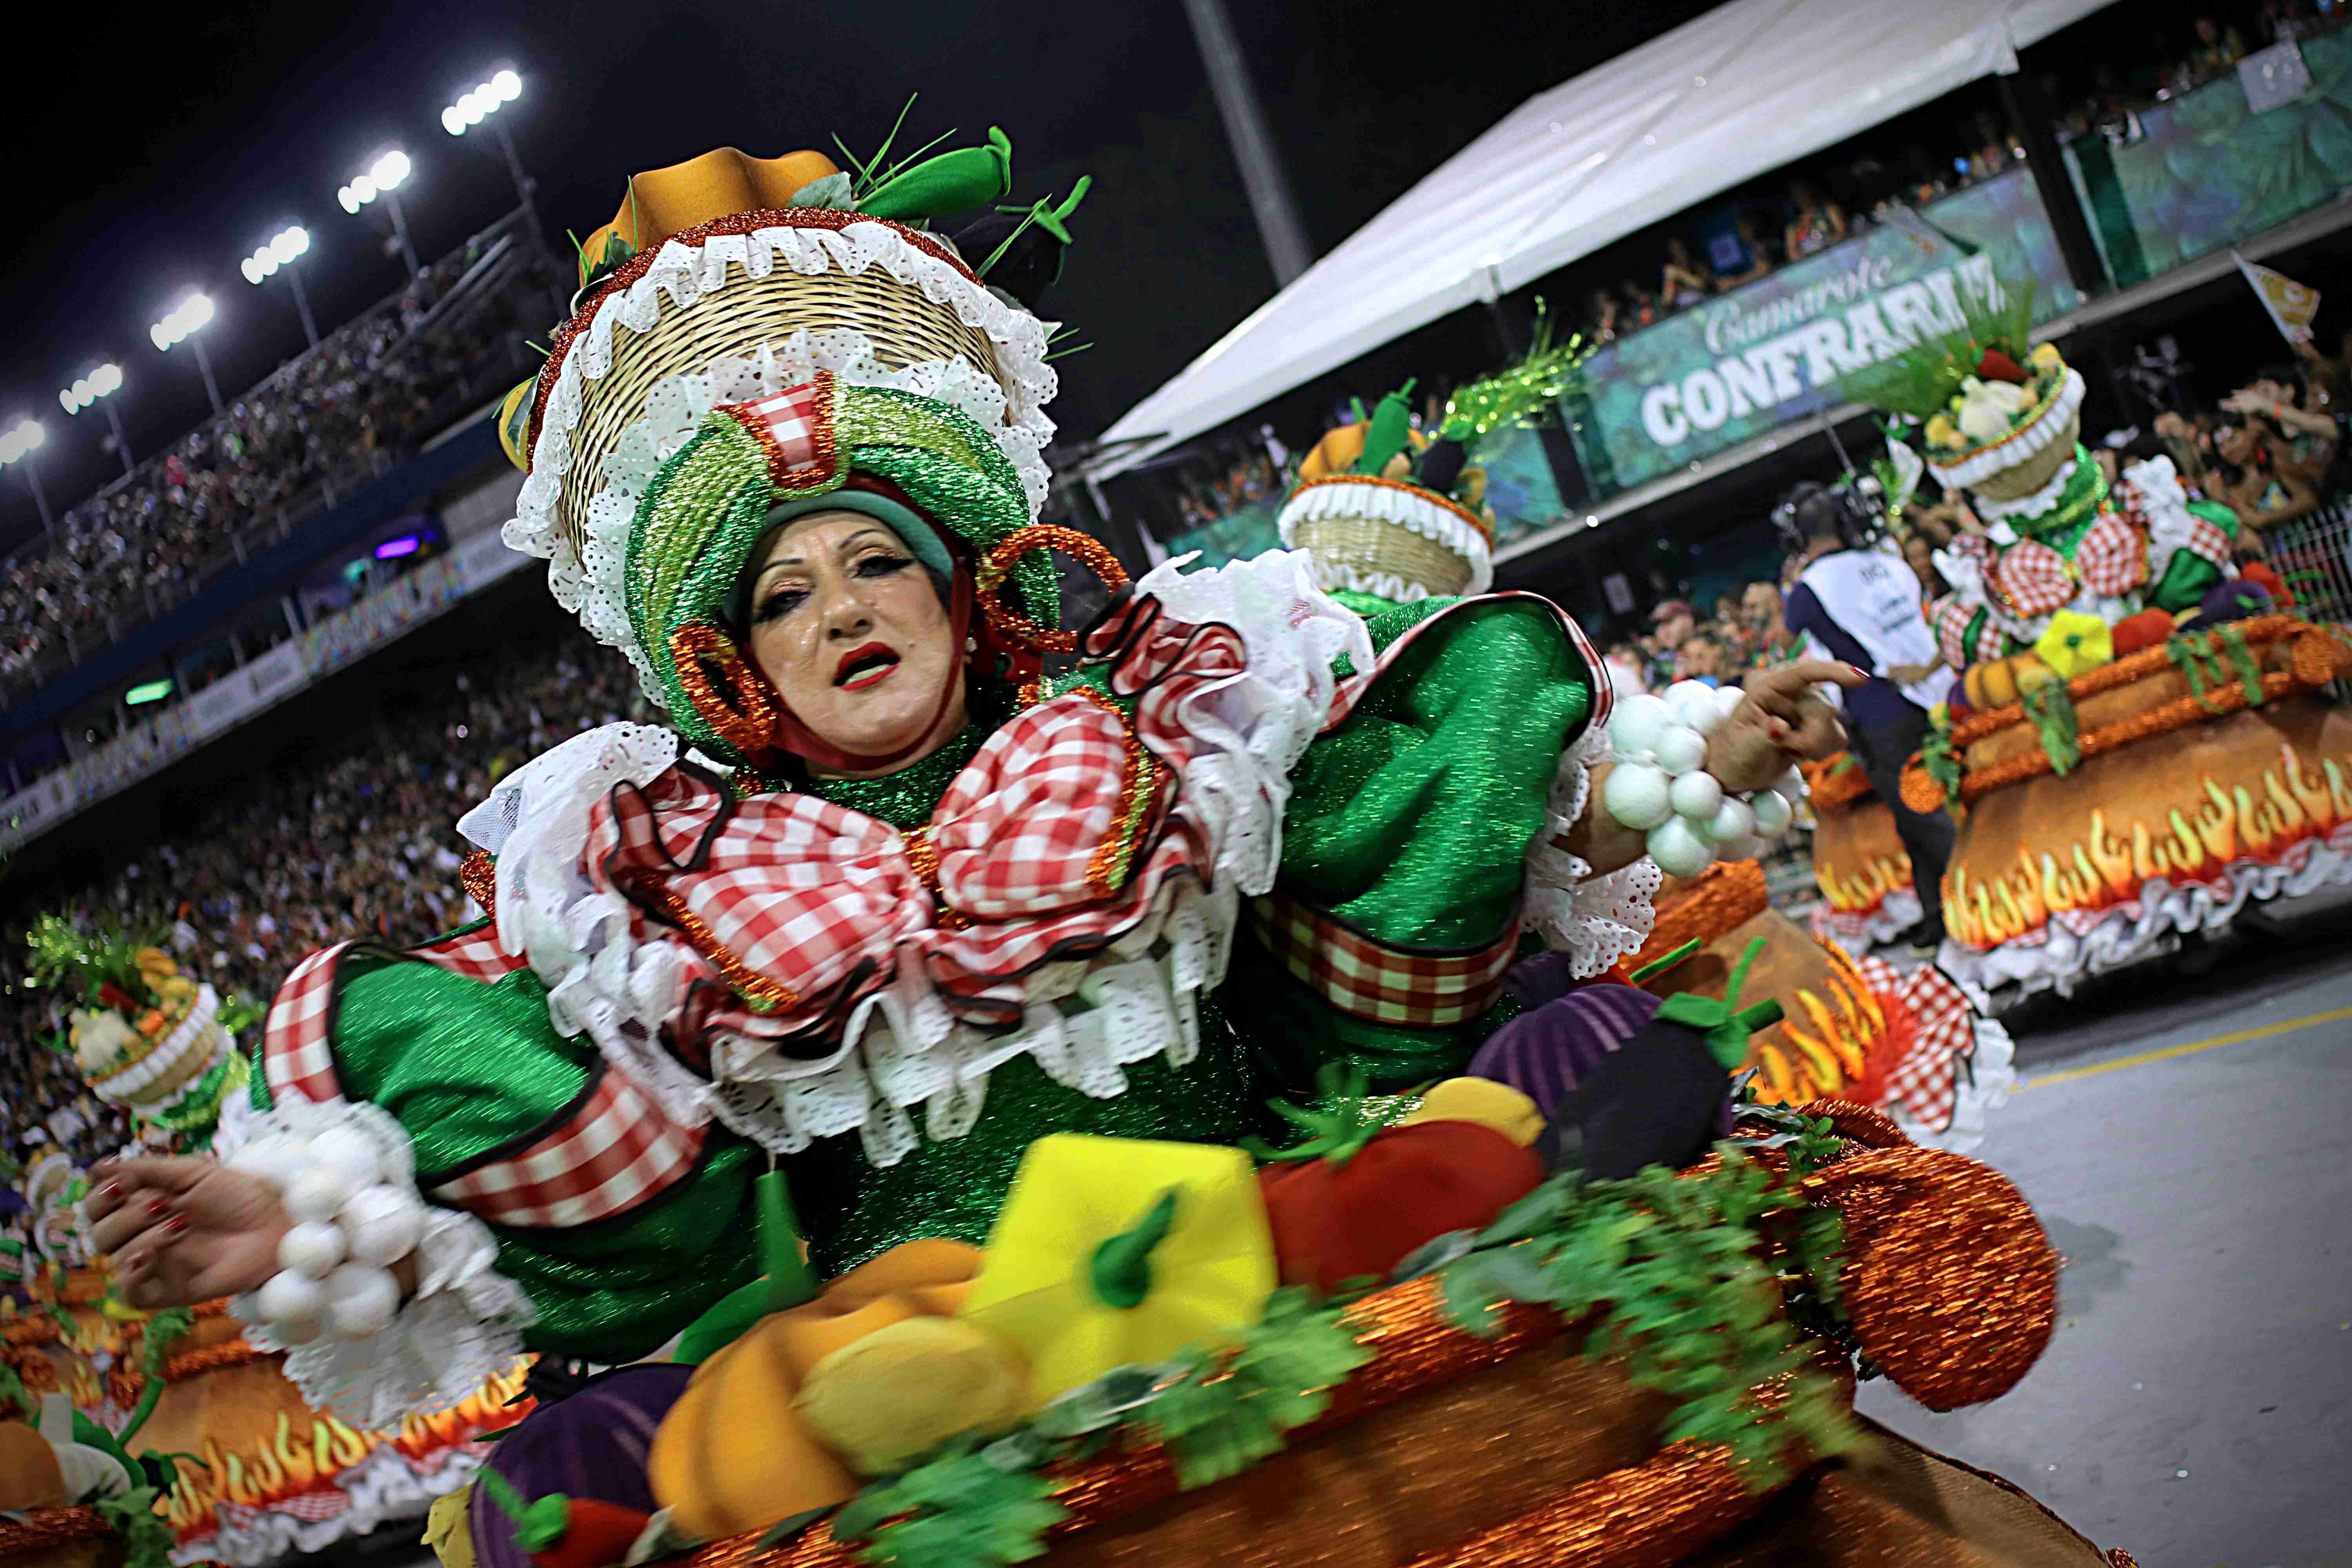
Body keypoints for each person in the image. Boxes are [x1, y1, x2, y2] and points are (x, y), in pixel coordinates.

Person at [85, 141, 1859, 1430]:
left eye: (872, 561)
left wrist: (1705, 759)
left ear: (960, 582)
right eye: (781, 596)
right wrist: (300, 1214)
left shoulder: (1164, 730)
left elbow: (1439, 821)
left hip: (1268, 1275)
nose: (838, 603)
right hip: (936, 1405)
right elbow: (565, 1154)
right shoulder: (679, 891)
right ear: (734, 670)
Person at [1777, 484, 1955, 955]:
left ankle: (1973, 890)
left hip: (1880, 710)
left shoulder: (1808, 590)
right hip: (1934, 694)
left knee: (1920, 812)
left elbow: (1785, 640)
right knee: (1915, 813)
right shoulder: (1889, 564)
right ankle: (1937, 913)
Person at [1783, 180, 1847, 260]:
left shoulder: (1829, 210)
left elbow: (1843, 232)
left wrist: (1825, 242)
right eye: (1797, 194)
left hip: (1837, 256)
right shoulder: (1792, 228)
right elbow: (1792, 254)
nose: (1802, 197)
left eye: (1803, 192)